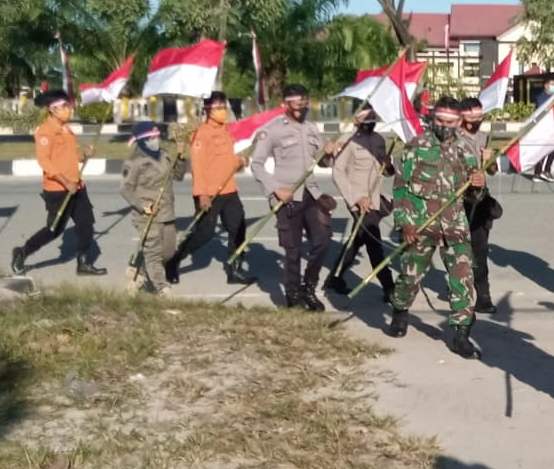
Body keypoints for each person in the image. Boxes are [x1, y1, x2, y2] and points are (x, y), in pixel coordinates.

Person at [388, 97, 484, 359]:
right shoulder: (416, 147)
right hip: (421, 224)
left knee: (463, 279)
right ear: (432, 119)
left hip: (454, 225)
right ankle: (399, 310)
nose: (444, 126)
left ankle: (461, 334)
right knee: (410, 276)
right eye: (440, 121)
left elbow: (474, 197)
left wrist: (478, 184)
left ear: (458, 122)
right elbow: (400, 187)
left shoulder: (466, 149)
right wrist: (405, 222)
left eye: (450, 122)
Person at [251, 84, 341, 310]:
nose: (302, 107)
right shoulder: (272, 130)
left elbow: (322, 161)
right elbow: (257, 165)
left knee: (322, 241)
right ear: (285, 104)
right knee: (293, 251)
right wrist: (275, 189)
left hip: (311, 194)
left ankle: (308, 288)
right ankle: (292, 295)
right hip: (287, 196)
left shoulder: (311, 129)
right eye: (297, 103)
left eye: (304, 103)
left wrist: (329, 154)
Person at [10, 91, 105, 275]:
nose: (69, 109)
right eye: (65, 107)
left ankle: (83, 264)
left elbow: (70, 157)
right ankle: (22, 252)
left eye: (68, 106)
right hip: (58, 189)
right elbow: (44, 161)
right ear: (53, 110)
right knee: (54, 230)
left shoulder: (67, 130)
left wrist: (84, 154)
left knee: (86, 224)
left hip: (77, 186)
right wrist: (64, 181)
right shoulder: (44, 132)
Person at [167, 91, 255, 285]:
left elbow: (226, 159)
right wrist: (202, 194)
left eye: (224, 106)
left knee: (238, 228)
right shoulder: (202, 133)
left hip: (229, 190)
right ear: (208, 110)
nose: (222, 110)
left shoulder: (226, 131)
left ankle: (234, 269)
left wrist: (239, 161)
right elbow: (197, 166)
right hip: (210, 193)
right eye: (218, 107)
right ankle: (173, 261)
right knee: (204, 234)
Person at [325, 107, 397, 302]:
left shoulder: (379, 140)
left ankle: (335, 278)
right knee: (375, 244)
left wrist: (388, 164)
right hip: (359, 201)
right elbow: (338, 173)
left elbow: (387, 172)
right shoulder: (348, 141)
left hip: (375, 198)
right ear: (356, 121)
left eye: (372, 119)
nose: (370, 123)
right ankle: (389, 288)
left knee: (358, 240)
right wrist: (356, 198)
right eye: (365, 120)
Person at [120, 121, 188, 295]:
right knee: (153, 254)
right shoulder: (134, 161)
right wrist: (144, 207)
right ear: (143, 140)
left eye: (157, 136)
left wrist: (180, 156)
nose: (156, 140)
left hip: (166, 212)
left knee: (169, 251)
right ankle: (162, 288)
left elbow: (178, 176)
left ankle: (140, 275)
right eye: (152, 137)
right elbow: (125, 189)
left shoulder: (163, 154)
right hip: (147, 216)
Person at [458, 97, 502, 314]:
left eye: (480, 116)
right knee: (458, 252)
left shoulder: (484, 138)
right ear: (463, 116)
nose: (477, 121)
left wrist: (490, 160)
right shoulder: (453, 139)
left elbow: (493, 171)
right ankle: (459, 294)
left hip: (480, 201)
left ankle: (483, 295)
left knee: (480, 249)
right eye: (473, 116)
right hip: (457, 202)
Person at [529, 79, 554, 182]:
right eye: (552, 84)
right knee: (548, 149)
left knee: (551, 149)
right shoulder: (542, 97)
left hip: (549, 127)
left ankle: (540, 173)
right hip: (542, 128)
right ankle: (541, 172)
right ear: (546, 86)